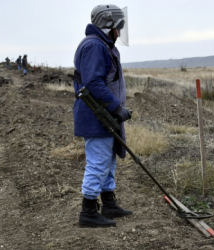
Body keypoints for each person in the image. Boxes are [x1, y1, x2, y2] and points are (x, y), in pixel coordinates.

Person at [73, 4, 131, 228]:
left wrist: (115, 110)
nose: (120, 31)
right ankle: (88, 211)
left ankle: (108, 203)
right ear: (108, 25)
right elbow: (93, 82)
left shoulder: (103, 45)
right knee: (98, 163)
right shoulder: (94, 46)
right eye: (118, 26)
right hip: (96, 115)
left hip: (105, 115)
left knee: (109, 160)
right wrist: (116, 107)